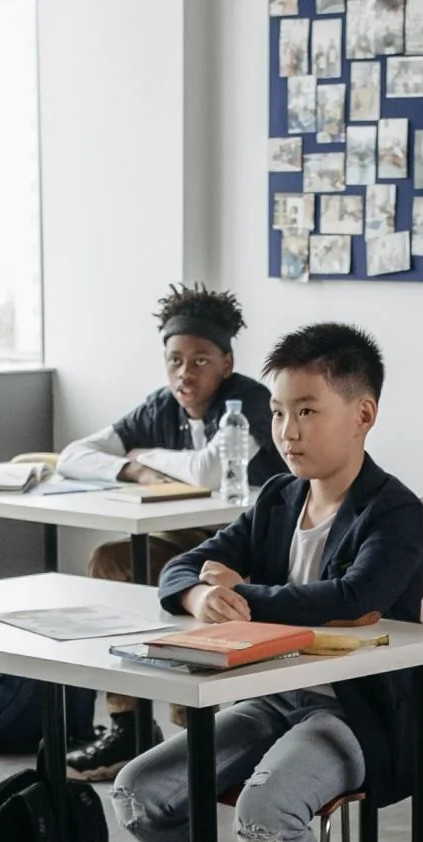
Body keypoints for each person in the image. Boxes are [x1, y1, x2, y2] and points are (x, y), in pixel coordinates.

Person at [111, 323, 420, 842]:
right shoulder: (279, 497)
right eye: (279, 411)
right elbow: (184, 569)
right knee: (137, 793)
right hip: (274, 701)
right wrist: (198, 599)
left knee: (264, 814)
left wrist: (244, 590)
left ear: (363, 414)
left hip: (355, 714)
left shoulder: (394, 510)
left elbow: (354, 595)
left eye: (307, 410)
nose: (287, 429)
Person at [60, 284, 289, 782]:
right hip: (188, 543)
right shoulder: (158, 407)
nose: (186, 374)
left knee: (208, 582)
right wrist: (135, 472)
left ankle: (200, 729)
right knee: (112, 561)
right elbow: (73, 456)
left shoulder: (248, 402)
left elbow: (209, 471)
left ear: (226, 363)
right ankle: (130, 726)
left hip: (248, 548)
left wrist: (147, 456)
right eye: (175, 360)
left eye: (201, 360)